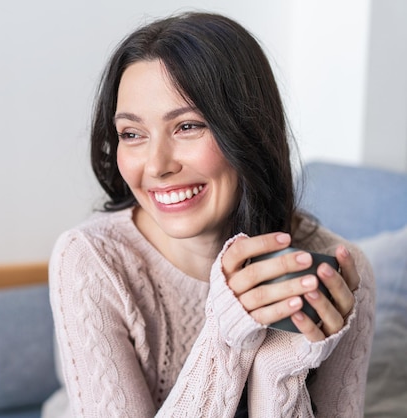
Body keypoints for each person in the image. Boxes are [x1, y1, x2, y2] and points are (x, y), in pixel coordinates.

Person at [43, 11, 374, 417]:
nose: (156, 165)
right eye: (132, 134)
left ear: (247, 130)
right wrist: (227, 333)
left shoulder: (338, 273)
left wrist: (280, 367)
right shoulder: (92, 260)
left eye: (187, 126)